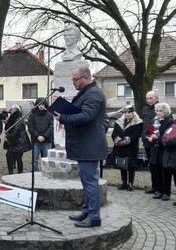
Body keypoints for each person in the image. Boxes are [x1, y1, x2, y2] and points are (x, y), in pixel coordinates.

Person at [54, 66, 107, 228]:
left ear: (85, 78)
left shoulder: (94, 94)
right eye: (72, 79)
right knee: (86, 181)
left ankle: (95, 217)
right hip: (85, 144)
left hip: (89, 145)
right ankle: (86, 211)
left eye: (75, 79)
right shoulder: (87, 93)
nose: (73, 82)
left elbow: (87, 116)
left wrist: (63, 117)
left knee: (90, 182)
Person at [142, 103, 174, 201]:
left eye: (160, 111)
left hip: (164, 150)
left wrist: (156, 139)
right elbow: (145, 133)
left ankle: (166, 192)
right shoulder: (153, 121)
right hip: (154, 149)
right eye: (156, 111)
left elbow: (168, 136)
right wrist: (148, 137)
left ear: (166, 112)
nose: (158, 113)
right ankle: (158, 190)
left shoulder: (170, 122)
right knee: (156, 171)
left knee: (165, 172)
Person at [111, 105, 143, 191]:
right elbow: (114, 134)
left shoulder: (138, 122)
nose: (127, 114)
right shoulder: (119, 122)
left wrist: (126, 141)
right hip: (120, 147)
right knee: (122, 165)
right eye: (125, 112)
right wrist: (118, 141)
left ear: (133, 113)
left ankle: (131, 183)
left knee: (131, 166)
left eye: (129, 112)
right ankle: (124, 183)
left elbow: (137, 135)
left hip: (131, 147)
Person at [28, 97, 54, 172]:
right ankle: (36, 173)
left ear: (45, 105)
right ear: (36, 105)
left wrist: (44, 136)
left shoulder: (49, 114)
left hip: (46, 140)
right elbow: (30, 126)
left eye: (43, 104)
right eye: (39, 104)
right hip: (36, 140)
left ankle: (46, 172)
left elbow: (51, 126)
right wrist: (37, 136)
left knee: (46, 158)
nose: (41, 106)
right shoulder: (32, 114)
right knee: (35, 159)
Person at [141, 91, 159, 194]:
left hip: (155, 141)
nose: (149, 100)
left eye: (151, 98)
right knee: (151, 165)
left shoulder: (160, 108)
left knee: (157, 165)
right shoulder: (145, 109)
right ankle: (154, 186)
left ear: (156, 98)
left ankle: (159, 188)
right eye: (147, 98)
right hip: (146, 140)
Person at [5, 106, 32, 174]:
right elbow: (7, 129)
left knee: (18, 158)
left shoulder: (19, 121)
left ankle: (19, 173)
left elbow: (15, 133)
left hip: (20, 142)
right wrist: (7, 122)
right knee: (9, 156)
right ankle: (11, 172)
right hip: (14, 142)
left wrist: (7, 137)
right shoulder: (12, 120)